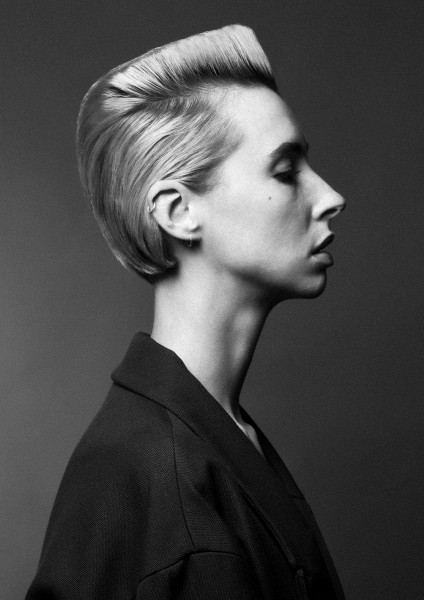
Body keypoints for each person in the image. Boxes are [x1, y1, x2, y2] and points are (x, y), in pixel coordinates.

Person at [26, 24, 346, 600]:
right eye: (285, 171)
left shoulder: (221, 441)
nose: (330, 196)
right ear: (177, 211)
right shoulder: (148, 473)